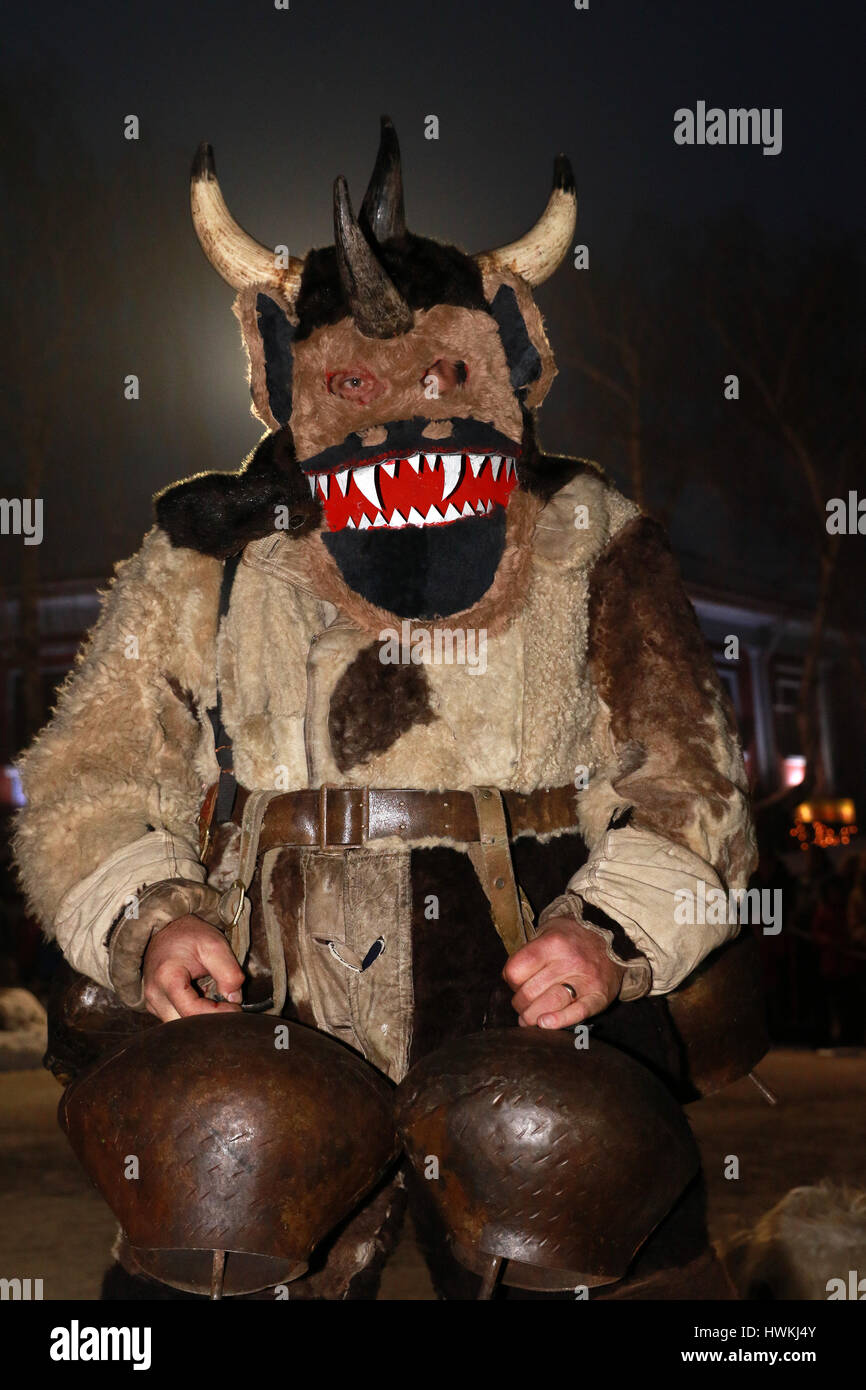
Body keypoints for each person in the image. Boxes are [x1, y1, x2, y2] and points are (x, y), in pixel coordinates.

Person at [14, 119, 757, 1299]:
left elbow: (686, 778)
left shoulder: (590, 535)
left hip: (527, 964)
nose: (399, 412)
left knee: (573, 1205)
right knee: (219, 1200)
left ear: (507, 366)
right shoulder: (205, 548)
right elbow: (91, 772)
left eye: (444, 376)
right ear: (284, 382)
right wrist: (153, 919)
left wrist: (609, 935)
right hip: (269, 984)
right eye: (353, 385)